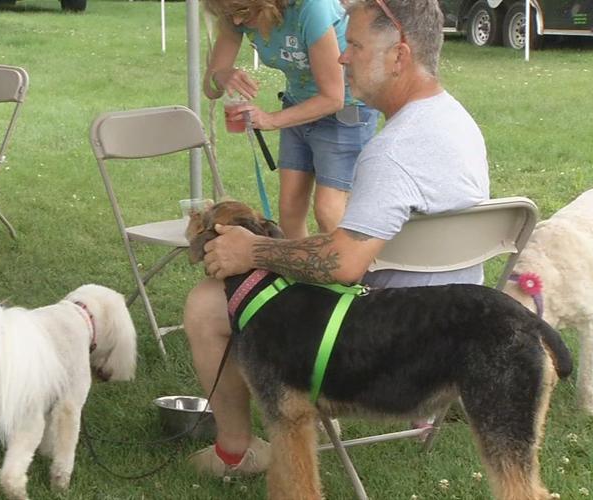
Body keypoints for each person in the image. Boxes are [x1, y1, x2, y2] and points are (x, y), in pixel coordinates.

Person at [185, 0, 490, 477]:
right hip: (455, 329)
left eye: (355, 45)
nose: (343, 56)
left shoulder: (392, 152)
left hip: (386, 346)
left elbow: (344, 264)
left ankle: (236, 451)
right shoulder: (456, 120)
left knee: (208, 304)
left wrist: (253, 249)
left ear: (399, 57)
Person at [203, 0, 378, 239]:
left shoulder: (311, 7)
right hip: (297, 107)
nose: (236, 21)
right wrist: (221, 76)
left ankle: (354, 264)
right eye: (228, 14)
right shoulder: (236, 11)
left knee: (328, 211)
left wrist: (271, 119)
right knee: (289, 211)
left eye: (242, 12)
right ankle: (299, 265)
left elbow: (333, 98)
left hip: (346, 112)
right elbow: (210, 88)